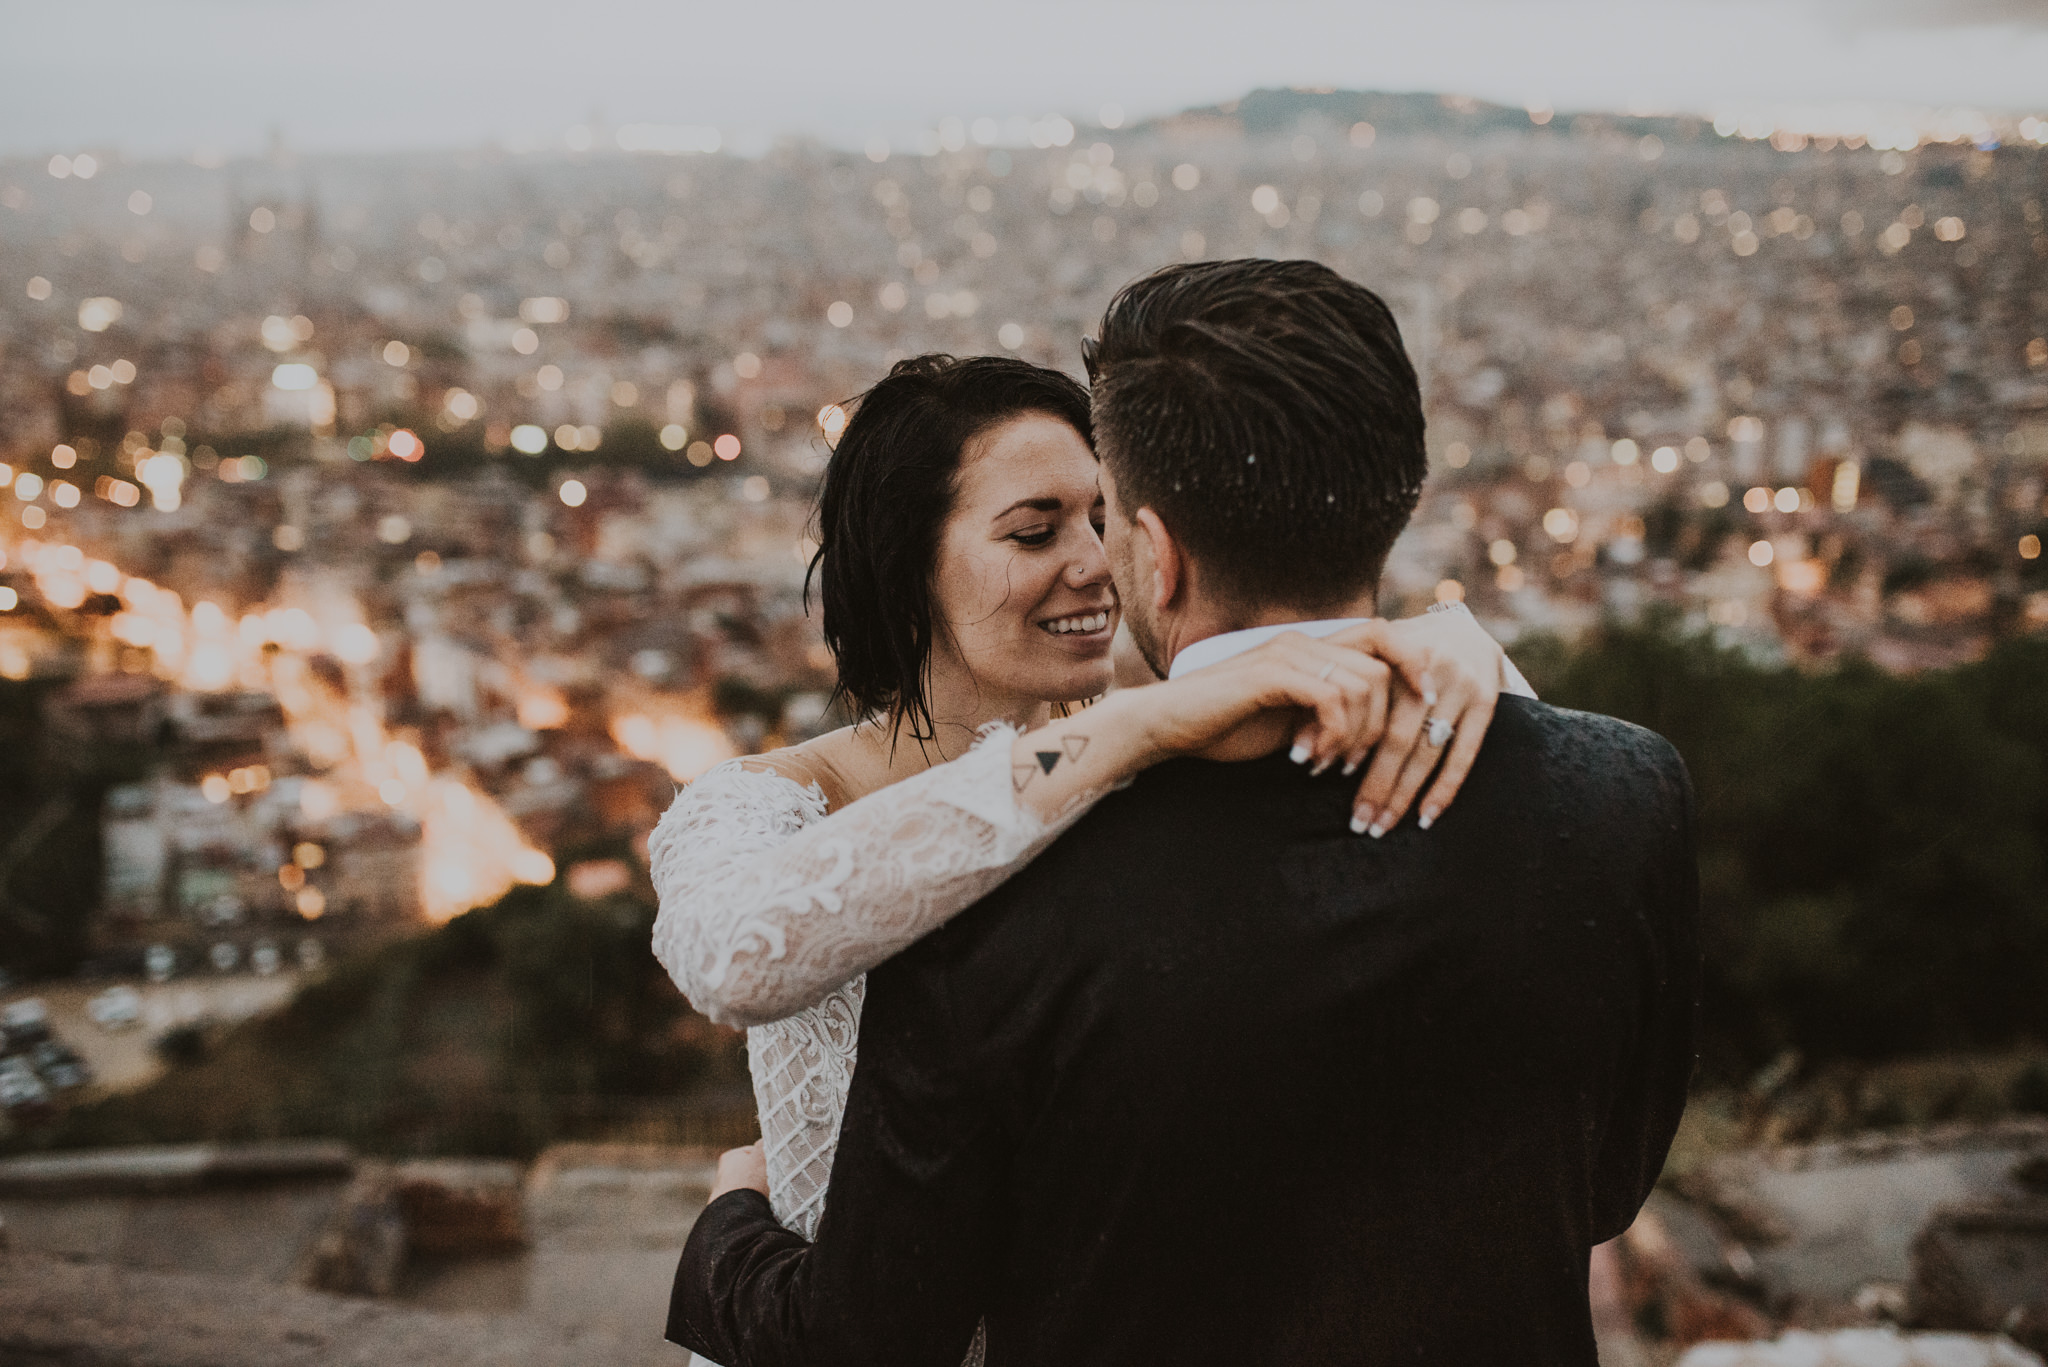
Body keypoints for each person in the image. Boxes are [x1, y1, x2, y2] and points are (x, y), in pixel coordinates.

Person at [665, 259, 1701, 1366]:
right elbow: (738, 948)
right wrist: (1148, 722)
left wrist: (728, 1220)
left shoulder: (1032, 896)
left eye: (1100, 519)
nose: (1088, 565)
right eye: (1033, 531)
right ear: (905, 568)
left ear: (1152, 548)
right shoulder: (1628, 791)